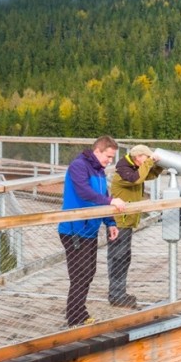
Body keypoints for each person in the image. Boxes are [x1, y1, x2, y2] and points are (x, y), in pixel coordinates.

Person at [58, 136, 126, 327]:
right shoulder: (78, 166)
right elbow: (84, 192)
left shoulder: (99, 171)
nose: (110, 161)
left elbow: (102, 196)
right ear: (98, 151)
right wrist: (112, 202)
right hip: (73, 230)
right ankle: (75, 317)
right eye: (108, 157)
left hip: (90, 229)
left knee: (88, 272)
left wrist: (110, 222)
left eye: (112, 158)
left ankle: (78, 313)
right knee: (80, 273)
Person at [107, 144, 164, 308]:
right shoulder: (123, 171)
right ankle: (116, 295)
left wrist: (158, 166)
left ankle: (119, 293)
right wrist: (148, 163)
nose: (147, 161)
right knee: (118, 258)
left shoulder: (132, 167)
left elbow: (148, 175)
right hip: (119, 223)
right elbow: (136, 178)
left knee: (124, 257)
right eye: (146, 158)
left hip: (126, 222)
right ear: (138, 156)